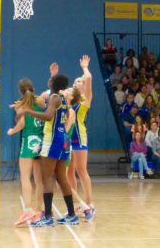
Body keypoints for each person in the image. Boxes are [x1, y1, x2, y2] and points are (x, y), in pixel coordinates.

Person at [18, 74, 79, 226]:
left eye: (50, 80)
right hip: (63, 140)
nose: (48, 80)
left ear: (53, 83)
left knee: (46, 179)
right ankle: (72, 215)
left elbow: (47, 116)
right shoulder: (63, 99)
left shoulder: (55, 98)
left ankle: (47, 217)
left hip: (52, 141)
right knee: (60, 178)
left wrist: (27, 111)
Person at [7, 79, 45, 226]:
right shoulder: (41, 101)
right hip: (41, 142)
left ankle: (28, 209)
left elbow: (21, 123)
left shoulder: (21, 104)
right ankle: (39, 210)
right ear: (33, 88)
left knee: (25, 177)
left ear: (20, 90)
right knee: (39, 180)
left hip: (29, 143)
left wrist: (12, 130)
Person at [69, 55, 95, 219]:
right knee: (68, 173)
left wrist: (84, 68)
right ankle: (76, 204)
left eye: (80, 81)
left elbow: (89, 77)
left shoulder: (86, 99)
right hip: (67, 138)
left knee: (81, 170)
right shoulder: (70, 100)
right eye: (75, 81)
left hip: (79, 137)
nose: (77, 82)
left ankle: (90, 203)